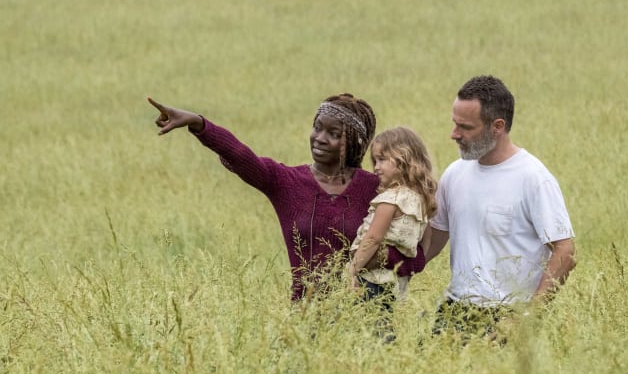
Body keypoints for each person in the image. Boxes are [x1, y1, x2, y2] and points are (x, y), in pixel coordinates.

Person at [148, 94, 424, 301]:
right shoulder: (287, 183)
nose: (320, 138)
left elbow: (414, 253)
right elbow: (241, 156)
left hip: (366, 313)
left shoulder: (377, 189)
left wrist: (378, 259)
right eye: (318, 127)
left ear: (353, 142)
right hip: (305, 316)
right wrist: (199, 124)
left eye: (334, 134)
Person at [425, 75, 576, 339]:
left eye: (465, 127)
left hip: (508, 317)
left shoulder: (533, 178)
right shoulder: (454, 174)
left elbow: (565, 251)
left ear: (497, 126)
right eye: (454, 124)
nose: (454, 134)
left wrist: (527, 318)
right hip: (453, 311)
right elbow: (432, 243)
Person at [346, 127, 437, 302]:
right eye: (375, 161)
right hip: (396, 283)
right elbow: (427, 237)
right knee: (385, 325)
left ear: (404, 159)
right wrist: (414, 264)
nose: (376, 168)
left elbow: (373, 238)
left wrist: (352, 271)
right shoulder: (420, 200)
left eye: (381, 159)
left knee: (367, 326)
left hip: (371, 280)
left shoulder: (391, 199)